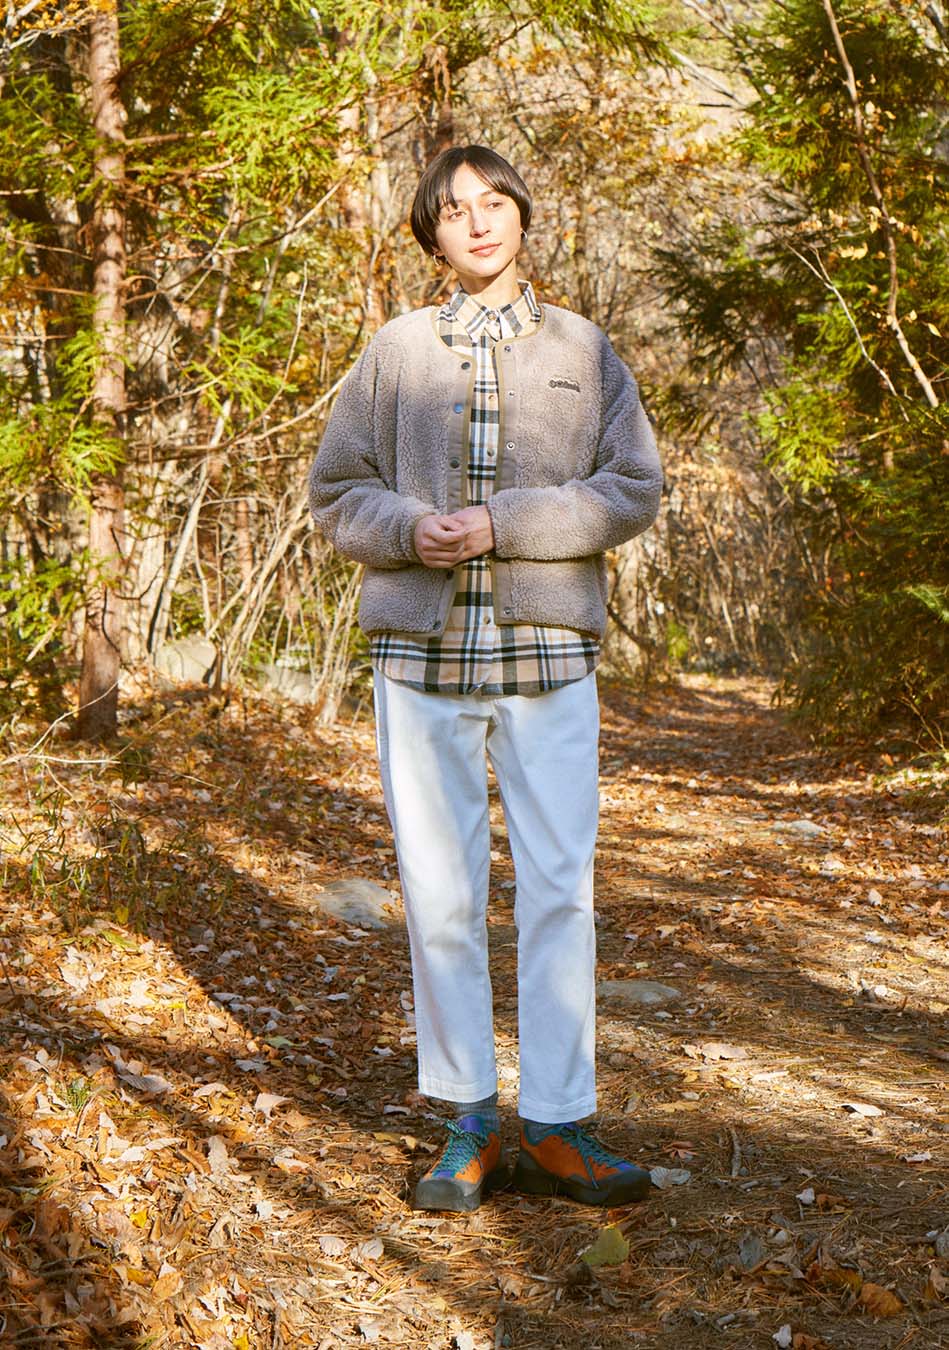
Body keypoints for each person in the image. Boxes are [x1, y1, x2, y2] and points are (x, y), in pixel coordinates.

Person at [309, 144, 663, 1213]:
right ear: (432, 235)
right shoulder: (396, 350)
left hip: (548, 655)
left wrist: (506, 523)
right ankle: (467, 1120)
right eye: (454, 208)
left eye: (493, 201)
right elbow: (336, 492)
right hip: (419, 660)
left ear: (519, 215)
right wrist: (408, 530)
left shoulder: (583, 347)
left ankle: (555, 1124)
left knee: (559, 886)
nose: (477, 220)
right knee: (441, 894)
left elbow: (632, 488)